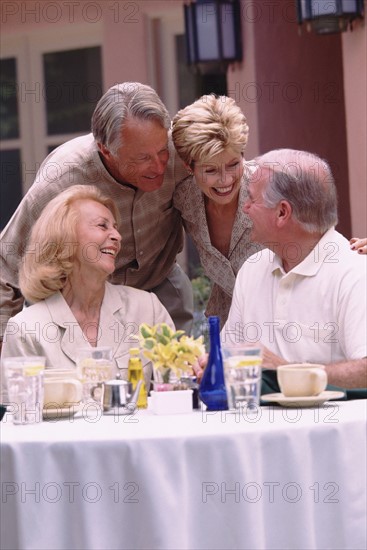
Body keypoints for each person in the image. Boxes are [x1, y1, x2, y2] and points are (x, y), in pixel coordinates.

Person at [0, 82, 193, 352]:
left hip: (158, 282)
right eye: (143, 158)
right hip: (76, 298)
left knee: (175, 381)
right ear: (105, 150)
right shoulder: (61, 179)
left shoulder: (181, 152)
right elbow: (5, 262)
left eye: (162, 151)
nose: (160, 166)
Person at [1, 186, 174, 398]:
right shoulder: (25, 329)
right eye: (102, 226)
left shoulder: (148, 309)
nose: (117, 236)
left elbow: (177, 393)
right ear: (65, 237)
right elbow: (16, 417)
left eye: (116, 228)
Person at [222, 148, 367, 392]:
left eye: (251, 199)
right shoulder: (252, 269)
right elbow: (229, 355)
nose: (244, 208)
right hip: (254, 428)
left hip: (332, 429)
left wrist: (287, 370)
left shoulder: (355, 273)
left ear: (282, 212)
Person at [172, 94, 260, 328]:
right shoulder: (183, 198)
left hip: (286, 325)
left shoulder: (271, 187)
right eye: (210, 170)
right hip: (227, 326)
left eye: (233, 164)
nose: (225, 180)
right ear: (188, 167)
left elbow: (319, 244)